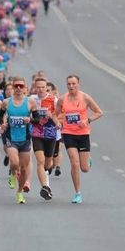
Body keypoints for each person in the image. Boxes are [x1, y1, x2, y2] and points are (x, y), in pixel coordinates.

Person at [51, 74, 103, 204]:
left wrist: (88, 120)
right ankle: (77, 193)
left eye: (73, 84)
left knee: (84, 168)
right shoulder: (62, 99)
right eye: (69, 84)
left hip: (83, 134)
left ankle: (87, 160)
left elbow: (99, 112)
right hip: (68, 133)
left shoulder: (85, 97)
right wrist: (57, 122)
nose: (71, 86)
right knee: (74, 164)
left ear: (78, 84)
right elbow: (54, 114)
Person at [0, 76, 34, 204]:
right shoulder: (6, 102)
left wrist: (30, 120)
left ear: (25, 88)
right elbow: (0, 115)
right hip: (11, 138)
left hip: (25, 138)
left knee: (24, 168)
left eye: (21, 86)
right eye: (16, 86)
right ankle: (13, 174)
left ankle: (19, 193)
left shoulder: (30, 102)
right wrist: (2, 124)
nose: (18, 88)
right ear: (12, 87)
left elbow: (38, 119)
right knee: (14, 162)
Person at [30, 76, 58, 200]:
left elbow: (60, 114)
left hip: (50, 134)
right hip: (36, 134)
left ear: (47, 87)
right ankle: (45, 187)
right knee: (40, 161)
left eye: (43, 87)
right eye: (38, 87)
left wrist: (52, 117)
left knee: (48, 163)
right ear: (35, 88)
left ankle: (47, 170)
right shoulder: (31, 99)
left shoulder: (53, 100)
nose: (41, 89)